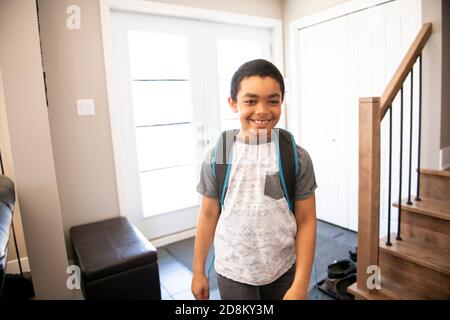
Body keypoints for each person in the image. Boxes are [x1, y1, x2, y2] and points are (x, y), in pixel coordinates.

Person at [191, 59, 317, 300]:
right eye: (250, 101)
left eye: (273, 100)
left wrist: (301, 284)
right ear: (233, 103)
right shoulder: (220, 153)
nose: (262, 110)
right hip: (233, 271)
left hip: (283, 269)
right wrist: (198, 270)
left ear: (282, 101)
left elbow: (306, 219)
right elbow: (208, 214)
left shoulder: (295, 155)